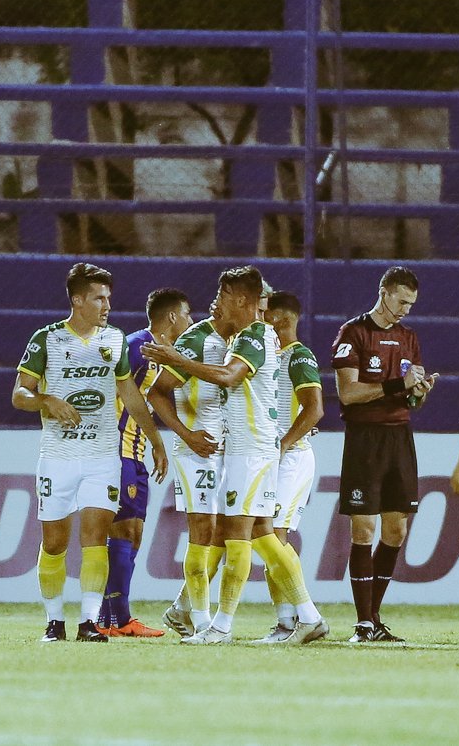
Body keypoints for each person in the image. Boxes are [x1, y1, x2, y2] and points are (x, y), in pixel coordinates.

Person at [144, 266, 327, 645]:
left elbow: (229, 377)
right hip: (247, 449)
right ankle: (308, 617)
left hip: (251, 450)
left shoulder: (256, 335)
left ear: (240, 299)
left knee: (236, 536)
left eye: (223, 294)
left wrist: (177, 360)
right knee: (260, 534)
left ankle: (221, 626)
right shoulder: (248, 335)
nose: (216, 301)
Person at [13, 262, 169, 643]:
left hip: (102, 457)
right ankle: (54, 622)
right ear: (78, 300)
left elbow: (129, 395)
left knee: (95, 538)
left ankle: (88, 622)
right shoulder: (46, 339)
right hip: (57, 457)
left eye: (109, 298)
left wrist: (156, 439)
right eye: (99, 298)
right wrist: (46, 400)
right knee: (54, 542)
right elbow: (19, 395)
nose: (106, 305)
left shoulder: (113, 340)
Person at [331, 265, 438, 643]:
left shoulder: (409, 338)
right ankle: (363, 623)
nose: (406, 309)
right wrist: (398, 385)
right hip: (365, 439)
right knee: (364, 529)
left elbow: (407, 395)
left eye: (411, 304)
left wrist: (418, 392)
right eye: (402, 301)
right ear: (384, 292)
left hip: (399, 438)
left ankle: (373, 619)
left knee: (396, 529)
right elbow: (349, 394)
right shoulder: (353, 332)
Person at [96, 288, 192, 638]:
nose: (190, 321)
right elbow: (121, 390)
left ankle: (111, 618)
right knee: (122, 530)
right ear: (171, 317)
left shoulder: (156, 355)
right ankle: (115, 619)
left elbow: (164, 387)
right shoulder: (137, 346)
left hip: (134, 451)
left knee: (132, 533)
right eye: (187, 314)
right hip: (118, 450)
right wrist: (157, 440)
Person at [144, 296, 228, 639]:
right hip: (197, 450)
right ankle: (203, 622)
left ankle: (182, 608)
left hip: (229, 451)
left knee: (225, 534)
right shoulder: (197, 340)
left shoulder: (241, 340)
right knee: (203, 532)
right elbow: (157, 392)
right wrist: (187, 435)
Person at [254, 290, 325, 642]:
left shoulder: (299, 357)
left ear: (281, 318)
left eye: (265, 314)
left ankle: (306, 617)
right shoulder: (270, 357)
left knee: (273, 535)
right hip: (274, 457)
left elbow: (315, 409)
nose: (261, 319)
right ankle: (285, 622)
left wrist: (283, 444)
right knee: (267, 535)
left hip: (292, 458)